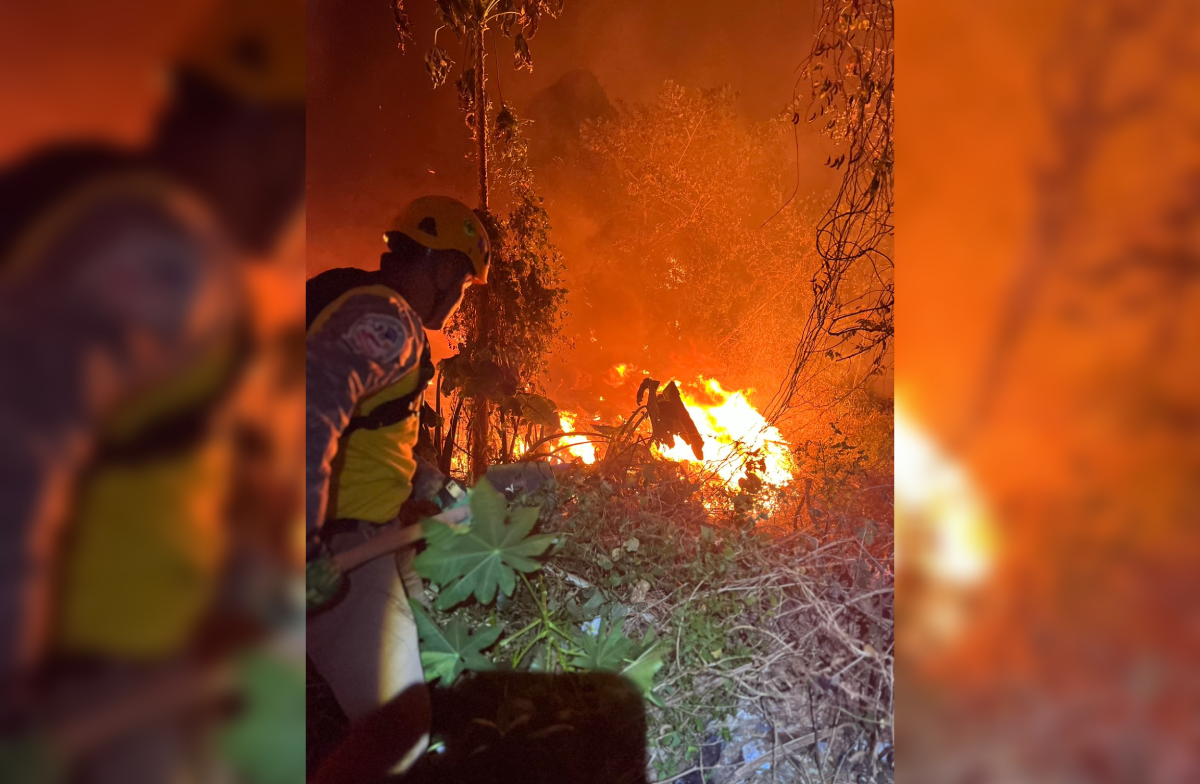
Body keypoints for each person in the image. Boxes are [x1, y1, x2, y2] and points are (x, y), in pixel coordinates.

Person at [0, 0, 305, 778]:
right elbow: (20, 438)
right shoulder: (157, 249)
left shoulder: (176, 247)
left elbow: (178, 460)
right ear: (260, 134)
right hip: (89, 692)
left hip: (138, 677)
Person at [305, 195, 489, 768]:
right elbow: (307, 414)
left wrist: (432, 486)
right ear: (438, 266)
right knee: (398, 728)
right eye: (460, 280)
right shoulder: (386, 322)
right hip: (338, 546)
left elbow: (371, 433)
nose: (458, 298)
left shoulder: (374, 314)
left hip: (364, 535)